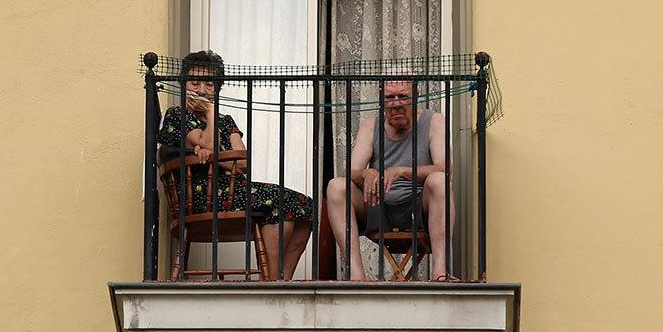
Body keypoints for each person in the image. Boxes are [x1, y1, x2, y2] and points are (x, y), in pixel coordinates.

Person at [156, 50, 314, 280]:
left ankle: (282, 279)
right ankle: (271, 280)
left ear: (218, 89)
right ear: (183, 84)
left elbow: (243, 161)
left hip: (233, 191)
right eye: (195, 82)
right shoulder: (177, 114)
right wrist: (210, 114)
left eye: (209, 84)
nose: (201, 90)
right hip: (199, 198)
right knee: (281, 202)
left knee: (306, 207)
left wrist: (215, 156)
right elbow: (209, 144)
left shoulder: (225, 121)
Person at [324, 78, 453, 281]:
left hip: (418, 209)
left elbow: (445, 168)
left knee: (440, 180)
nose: (396, 103)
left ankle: (440, 272)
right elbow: (351, 171)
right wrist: (367, 173)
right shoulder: (371, 126)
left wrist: (403, 171)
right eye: (389, 98)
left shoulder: (434, 121)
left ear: (416, 97)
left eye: (402, 96)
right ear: (382, 102)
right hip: (378, 207)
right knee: (336, 186)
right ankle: (356, 276)